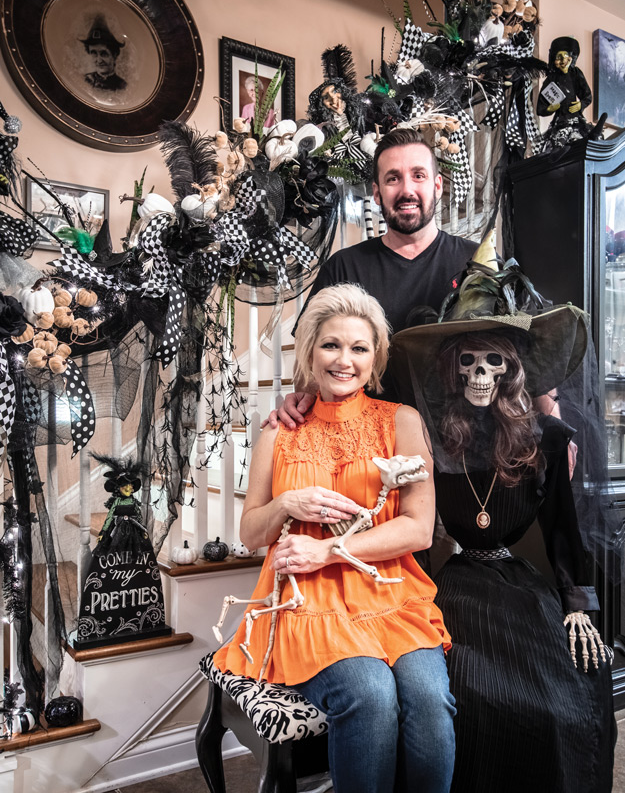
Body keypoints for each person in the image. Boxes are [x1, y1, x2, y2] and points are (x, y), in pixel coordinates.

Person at [213, 284, 456, 793]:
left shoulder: (402, 422)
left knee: (430, 700)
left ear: (375, 360)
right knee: (369, 694)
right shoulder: (279, 432)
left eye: (359, 348)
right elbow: (251, 533)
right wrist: (285, 505)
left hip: (391, 594)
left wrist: (327, 548)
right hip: (308, 601)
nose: (344, 360)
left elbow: (416, 527)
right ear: (309, 351)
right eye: (331, 345)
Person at [390, 285, 616, 792]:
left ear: (512, 370)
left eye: (494, 362)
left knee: (570, 691)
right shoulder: (427, 436)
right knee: (471, 691)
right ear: (452, 370)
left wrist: (576, 600)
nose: (480, 375)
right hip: (456, 584)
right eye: (468, 362)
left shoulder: (548, 440)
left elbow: (563, 527)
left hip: (519, 583)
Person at [269, 128, 479, 429]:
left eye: (418, 175)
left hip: (462, 442)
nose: (407, 190)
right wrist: (301, 398)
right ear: (377, 192)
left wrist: (553, 419)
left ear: (437, 186)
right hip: (365, 448)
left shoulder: (475, 263)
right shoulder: (344, 268)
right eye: (393, 178)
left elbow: (517, 346)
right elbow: (308, 359)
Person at [536, 37, 593, 150]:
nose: (562, 61)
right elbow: (540, 108)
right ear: (554, 60)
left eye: (565, 57)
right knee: (558, 142)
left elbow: (587, 95)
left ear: (571, 58)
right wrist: (551, 108)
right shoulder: (551, 79)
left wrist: (580, 105)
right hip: (560, 120)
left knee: (580, 141)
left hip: (576, 119)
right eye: (558, 57)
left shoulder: (576, 73)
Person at [80, 18, 127, 92]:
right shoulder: (86, 80)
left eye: (104, 54)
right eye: (94, 53)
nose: (99, 60)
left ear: (114, 55)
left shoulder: (121, 86)